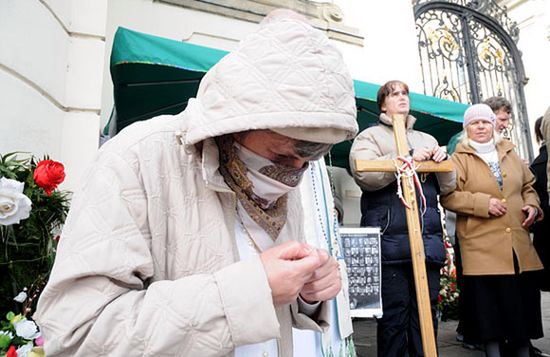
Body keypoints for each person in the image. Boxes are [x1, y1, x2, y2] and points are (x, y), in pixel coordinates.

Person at [34, 10, 359, 357]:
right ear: (236, 124)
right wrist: (252, 290)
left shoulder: (283, 177)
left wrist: (309, 294)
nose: (293, 175)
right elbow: (79, 334)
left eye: (307, 162)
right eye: (280, 158)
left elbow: (276, 306)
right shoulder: (137, 158)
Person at [349, 80, 455, 357]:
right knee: (394, 317)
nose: (401, 97)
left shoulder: (427, 139)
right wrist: (405, 157)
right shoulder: (369, 137)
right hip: (390, 242)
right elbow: (365, 176)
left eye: (405, 93)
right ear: (383, 104)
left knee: (426, 314)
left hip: (425, 240)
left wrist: (441, 161)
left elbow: (448, 186)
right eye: (394, 94)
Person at [441, 103, 544, 357]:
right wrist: (483, 204)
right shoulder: (458, 159)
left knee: (520, 302)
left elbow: (528, 187)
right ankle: (493, 351)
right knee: (490, 306)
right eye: (474, 123)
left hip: (516, 243)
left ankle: (522, 349)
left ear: (493, 125)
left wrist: (532, 205)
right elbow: (449, 197)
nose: (481, 127)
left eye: (485, 122)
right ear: (467, 128)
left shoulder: (509, 152)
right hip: (481, 244)